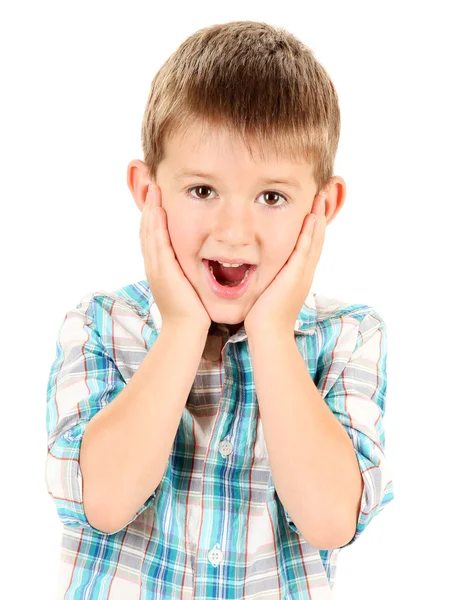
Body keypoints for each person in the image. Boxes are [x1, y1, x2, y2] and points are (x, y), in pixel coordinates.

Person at [45, 20, 394, 599]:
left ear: (323, 205)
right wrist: (183, 325)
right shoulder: (103, 323)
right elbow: (101, 501)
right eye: (202, 191)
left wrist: (273, 335)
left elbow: (332, 519)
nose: (234, 232)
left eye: (272, 197)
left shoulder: (347, 336)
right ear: (147, 190)